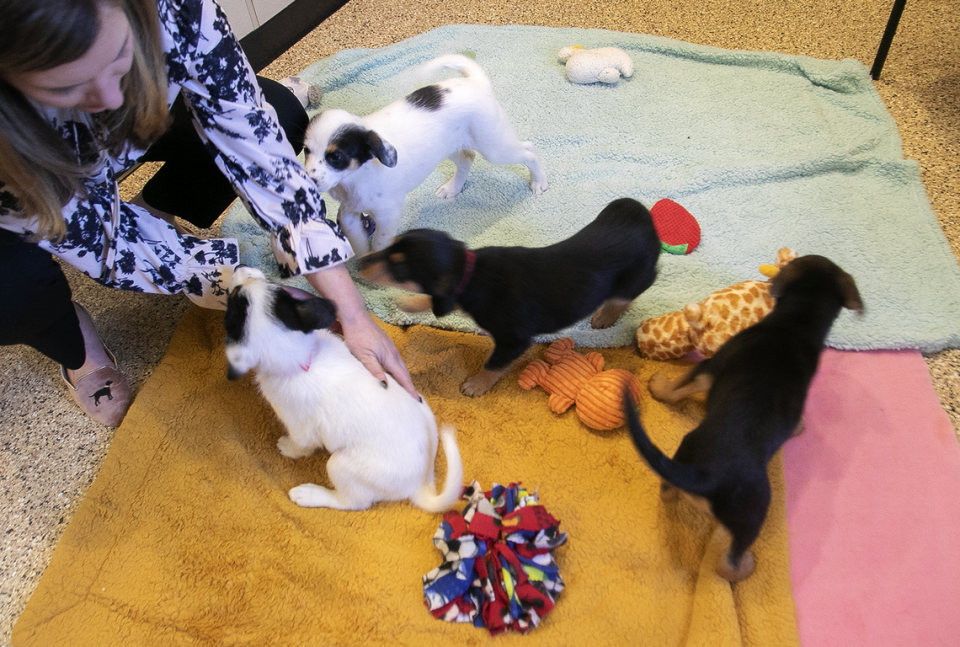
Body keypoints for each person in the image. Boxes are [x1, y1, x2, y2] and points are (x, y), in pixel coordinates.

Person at [0, 0, 417, 426]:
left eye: (120, 54)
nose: (109, 98)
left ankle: (152, 208)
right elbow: (99, 240)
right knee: (12, 296)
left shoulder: (174, 10)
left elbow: (253, 143)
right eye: (65, 88)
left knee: (283, 111)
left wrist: (350, 311)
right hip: (21, 183)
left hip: (99, 140)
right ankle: (72, 344)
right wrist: (231, 282)